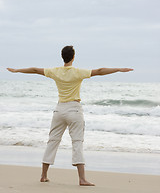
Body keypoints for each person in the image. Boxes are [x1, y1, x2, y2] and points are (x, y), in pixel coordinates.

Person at [7, 45, 133, 186]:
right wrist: (118, 69)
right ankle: (82, 179)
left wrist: (17, 70)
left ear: (63, 57)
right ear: (73, 57)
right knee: (77, 142)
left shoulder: (55, 71)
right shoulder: (78, 72)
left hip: (59, 110)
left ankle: (43, 175)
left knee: (52, 141)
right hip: (74, 109)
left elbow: (35, 70)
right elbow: (99, 71)